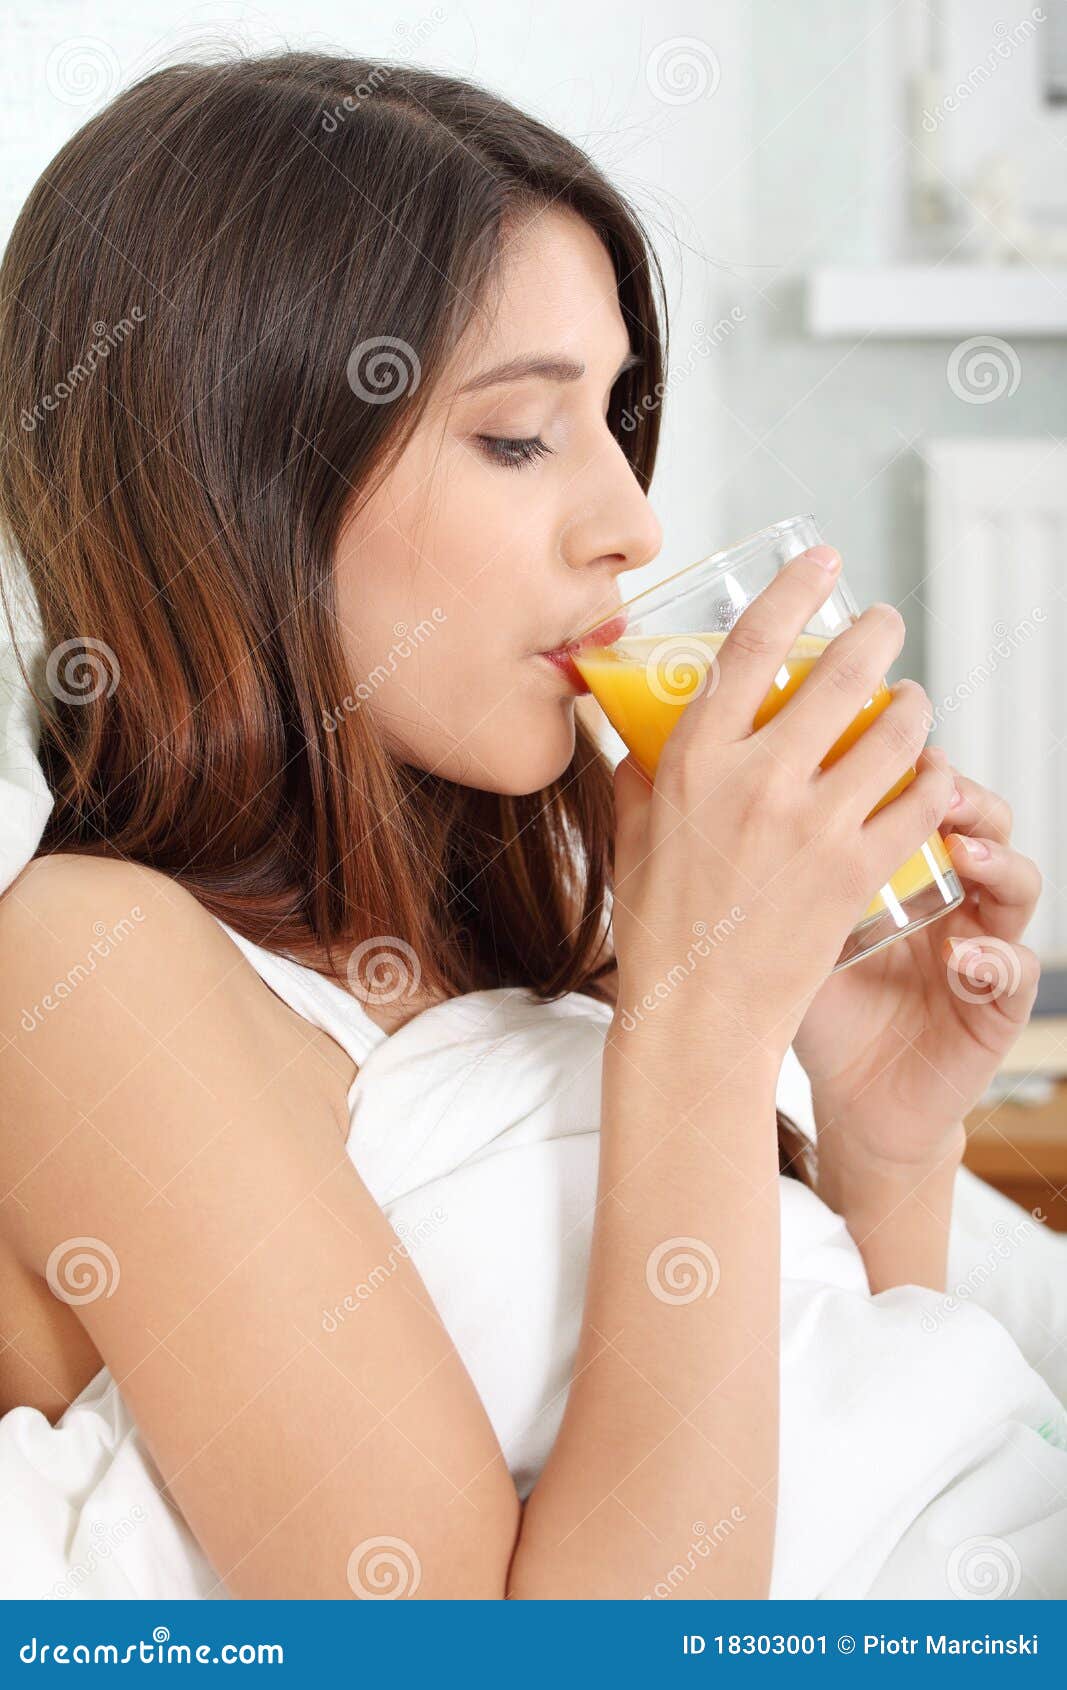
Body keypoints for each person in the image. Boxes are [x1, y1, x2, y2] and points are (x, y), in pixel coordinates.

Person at [0, 51, 1055, 1601]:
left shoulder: (518, 913)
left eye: (619, 419)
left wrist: (883, 1142)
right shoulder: (82, 966)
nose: (630, 517)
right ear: (238, 484)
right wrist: (699, 1024)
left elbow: (852, 1456)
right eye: (518, 436)